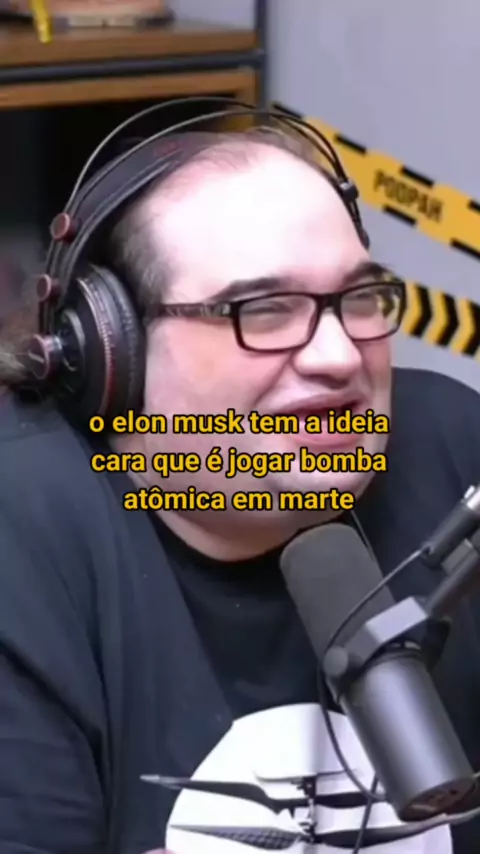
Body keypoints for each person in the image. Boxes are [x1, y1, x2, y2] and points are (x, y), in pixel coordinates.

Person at [1, 105, 480, 854]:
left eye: (358, 299)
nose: (338, 357)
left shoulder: (450, 445)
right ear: (111, 350)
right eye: (265, 310)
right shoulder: (24, 533)